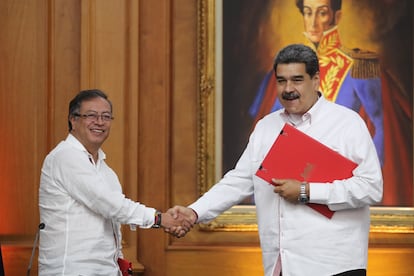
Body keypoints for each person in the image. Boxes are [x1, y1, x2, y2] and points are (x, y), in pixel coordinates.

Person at [168, 44, 383, 275]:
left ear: (316, 80)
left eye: (297, 80)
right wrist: (195, 212)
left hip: (334, 266)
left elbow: (371, 188)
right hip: (281, 266)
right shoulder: (266, 127)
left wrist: (306, 191)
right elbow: (239, 181)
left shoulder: (347, 124)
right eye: (281, 81)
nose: (288, 89)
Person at [248, 0, 412, 206]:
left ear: (337, 17)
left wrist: (364, 180)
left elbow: (382, 131)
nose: (313, 22)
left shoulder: (359, 68)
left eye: (322, 13)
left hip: (338, 186)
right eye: (308, 13)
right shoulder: (283, 73)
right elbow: (271, 134)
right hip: (287, 185)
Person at [38, 89, 190, 275]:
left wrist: (120, 262)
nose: (100, 122)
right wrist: (159, 219)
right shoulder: (65, 157)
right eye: (91, 116)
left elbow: (114, 221)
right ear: (73, 119)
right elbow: (108, 204)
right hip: (72, 269)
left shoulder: (105, 171)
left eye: (106, 116)